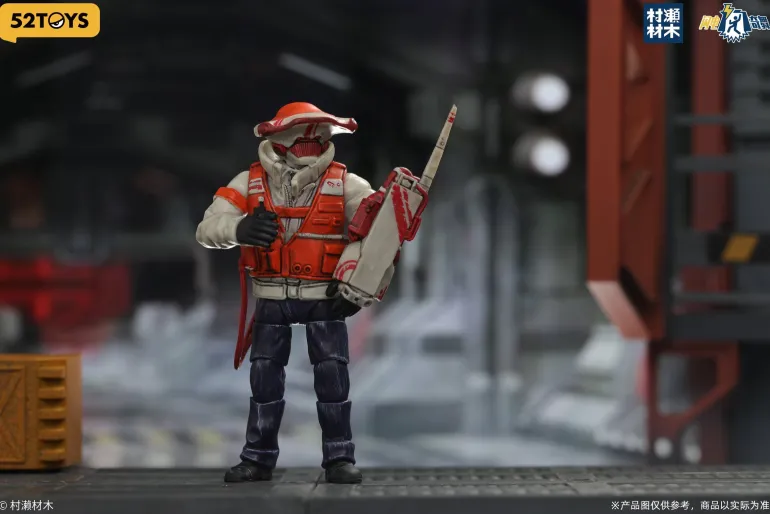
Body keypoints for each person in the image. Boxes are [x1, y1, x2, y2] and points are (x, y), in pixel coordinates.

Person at [196, 102, 392, 484]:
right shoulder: (249, 182)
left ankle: (339, 458)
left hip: (325, 297)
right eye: (301, 135)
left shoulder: (346, 184)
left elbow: (380, 236)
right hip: (272, 296)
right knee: (264, 385)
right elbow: (207, 228)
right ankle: (258, 458)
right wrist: (239, 229)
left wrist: (360, 290)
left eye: (316, 136)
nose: (309, 143)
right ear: (278, 139)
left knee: (333, 384)